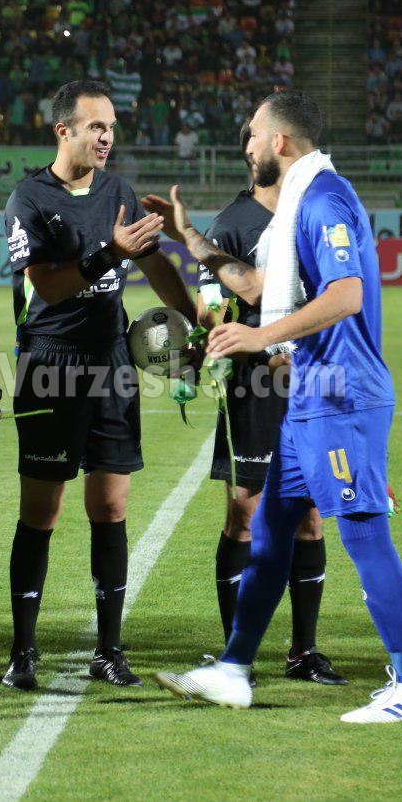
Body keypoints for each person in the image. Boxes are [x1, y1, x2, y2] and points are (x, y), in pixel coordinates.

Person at [155, 90, 402, 723]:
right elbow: (261, 286)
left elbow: (346, 294)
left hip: (341, 395)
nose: (247, 145)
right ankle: (234, 670)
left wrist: (260, 337)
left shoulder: (324, 200)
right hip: (310, 395)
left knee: (362, 529)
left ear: (280, 142)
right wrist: (191, 239)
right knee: (272, 529)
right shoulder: (297, 204)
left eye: (254, 134)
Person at [1, 80, 197, 691]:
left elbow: (155, 264)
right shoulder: (29, 198)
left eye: (111, 127)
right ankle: (23, 651)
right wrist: (110, 253)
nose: (107, 136)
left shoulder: (118, 192)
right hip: (51, 364)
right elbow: (48, 285)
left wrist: (193, 324)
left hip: (111, 362)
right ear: (63, 130)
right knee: (42, 510)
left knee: (110, 507)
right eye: (96, 126)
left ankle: (109, 650)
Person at [141, 123, 344, 686]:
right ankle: (237, 655)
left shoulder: (313, 212)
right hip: (256, 383)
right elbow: (210, 305)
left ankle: (304, 652)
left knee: (310, 516)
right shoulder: (232, 223)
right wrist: (212, 332)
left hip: (311, 379)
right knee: (247, 511)